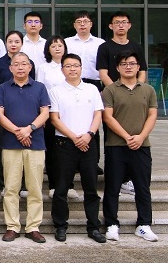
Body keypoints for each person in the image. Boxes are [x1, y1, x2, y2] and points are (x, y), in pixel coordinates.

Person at [48, 53, 106, 244]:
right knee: (61, 188)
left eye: (76, 65)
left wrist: (89, 134)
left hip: (88, 143)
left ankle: (93, 227)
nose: (72, 69)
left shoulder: (92, 89)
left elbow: (98, 115)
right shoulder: (56, 91)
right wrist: (74, 137)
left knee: (91, 188)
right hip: (65, 144)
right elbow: (54, 118)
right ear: (62, 69)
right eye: (68, 66)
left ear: (81, 68)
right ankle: (60, 226)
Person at [102, 51, 159, 242]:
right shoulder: (110, 90)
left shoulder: (148, 90)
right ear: (117, 68)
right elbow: (107, 117)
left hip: (142, 146)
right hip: (116, 146)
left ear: (138, 67)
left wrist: (141, 137)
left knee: (142, 187)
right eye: (124, 63)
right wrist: (127, 137)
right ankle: (111, 224)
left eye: (132, 63)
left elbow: (152, 115)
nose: (128, 67)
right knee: (112, 187)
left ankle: (144, 224)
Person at [0, 52, 50, 244]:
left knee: (35, 188)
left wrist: (29, 129)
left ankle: (33, 227)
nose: (20, 67)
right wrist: (18, 132)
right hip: (11, 144)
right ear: (10, 68)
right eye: (16, 64)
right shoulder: (3, 88)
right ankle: (12, 226)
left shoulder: (40, 87)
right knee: (11, 188)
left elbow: (45, 113)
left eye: (24, 64)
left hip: (36, 143)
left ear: (30, 67)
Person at [96, 11, 148, 195]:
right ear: (111, 26)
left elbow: (142, 72)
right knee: (112, 139)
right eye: (117, 22)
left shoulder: (136, 47)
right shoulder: (104, 47)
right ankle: (114, 180)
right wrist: (118, 91)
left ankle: (129, 179)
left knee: (134, 134)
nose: (120, 25)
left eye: (124, 22)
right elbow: (103, 73)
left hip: (135, 98)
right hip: (113, 97)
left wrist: (136, 89)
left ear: (129, 25)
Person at [36, 35, 78, 200]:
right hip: (50, 113)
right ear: (48, 49)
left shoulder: (70, 66)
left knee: (69, 151)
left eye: (60, 45)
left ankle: (69, 185)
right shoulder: (43, 68)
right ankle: (53, 185)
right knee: (53, 151)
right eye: (53, 46)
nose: (57, 48)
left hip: (69, 113)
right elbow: (40, 91)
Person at [0, 31, 36, 178]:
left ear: (22, 43)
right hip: (3, 110)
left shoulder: (29, 63)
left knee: (26, 145)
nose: (13, 44)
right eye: (10, 41)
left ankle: (24, 181)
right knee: (4, 145)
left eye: (17, 41)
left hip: (26, 109)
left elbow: (32, 85)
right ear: (5, 43)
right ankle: (4, 180)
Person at [66, 11, 106, 175]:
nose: (82, 24)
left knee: (93, 123)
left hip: (93, 84)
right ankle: (73, 160)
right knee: (73, 121)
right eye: (79, 21)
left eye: (85, 21)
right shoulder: (67, 43)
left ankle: (93, 161)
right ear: (74, 25)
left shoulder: (100, 44)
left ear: (91, 24)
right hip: (71, 83)